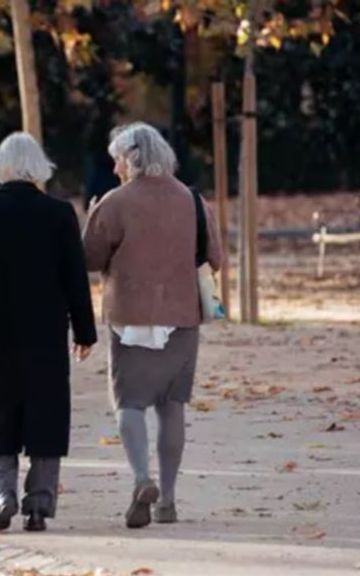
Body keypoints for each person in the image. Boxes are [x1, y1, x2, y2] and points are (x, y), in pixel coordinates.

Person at [0, 132, 97, 533]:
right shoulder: (59, 214)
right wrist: (85, 332)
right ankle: (39, 506)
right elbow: (74, 279)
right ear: (39, 167)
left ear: (1, 166)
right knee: (47, 415)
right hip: (46, 333)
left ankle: (3, 495)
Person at [82, 122, 222, 529]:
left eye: (117, 162)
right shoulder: (193, 201)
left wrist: (92, 216)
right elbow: (214, 257)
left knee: (129, 404)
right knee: (172, 406)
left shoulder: (114, 202)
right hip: (182, 318)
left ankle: (143, 479)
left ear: (131, 159)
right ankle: (170, 501)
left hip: (129, 317)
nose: (114, 170)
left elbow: (89, 258)